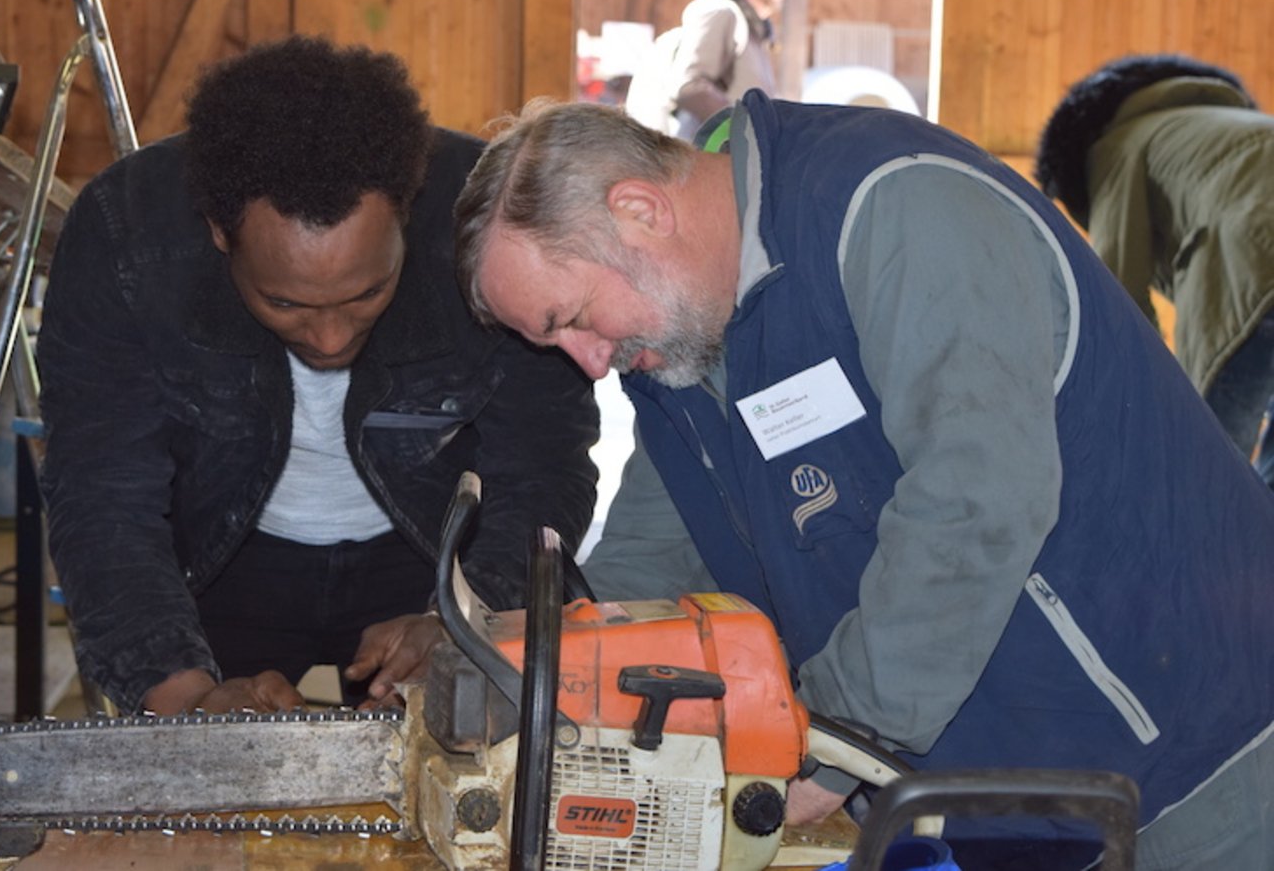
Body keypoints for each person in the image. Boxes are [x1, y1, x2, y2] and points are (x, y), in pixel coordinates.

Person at [452, 94, 1274, 869]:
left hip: (1203, 754)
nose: (589, 362)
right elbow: (652, 558)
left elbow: (976, 500)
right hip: (1030, 805)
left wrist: (836, 730)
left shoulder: (894, 210)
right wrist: (543, 675)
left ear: (639, 211)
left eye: (572, 319)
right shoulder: (676, 344)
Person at [35, 37, 598, 717]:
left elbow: (541, 464)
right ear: (219, 232)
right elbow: (102, 492)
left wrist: (469, 625)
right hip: (220, 564)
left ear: (407, 213)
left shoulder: (491, 228)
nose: (331, 337)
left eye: (367, 293)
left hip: (437, 559)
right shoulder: (126, 235)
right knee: (212, 784)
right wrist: (185, 696)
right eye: (286, 303)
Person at [1036, 53, 1274, 486]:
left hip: (1259, 257)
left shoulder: (1115, 147)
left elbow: (1118, 293)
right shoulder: (1219, 124)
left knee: (1206, 471)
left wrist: (1138, 413)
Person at [623, 0, 791, 139]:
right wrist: (742, 129)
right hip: (712, 159)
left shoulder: (752, 27)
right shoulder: (722, 13)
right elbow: (689, 86)